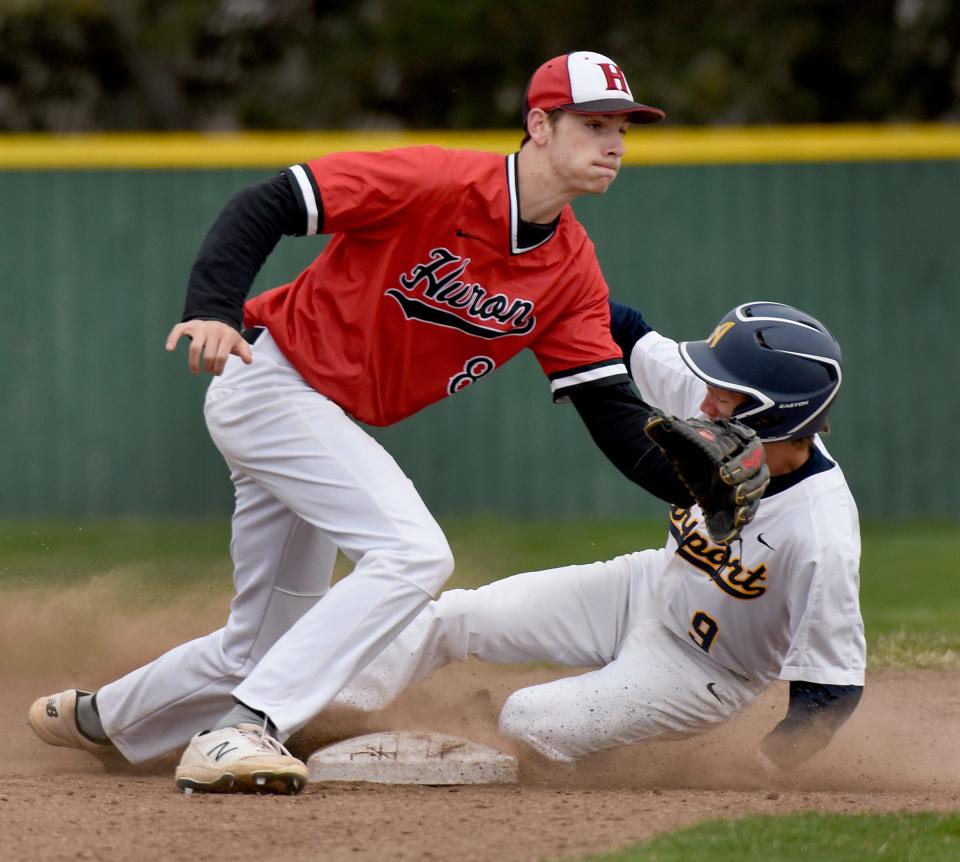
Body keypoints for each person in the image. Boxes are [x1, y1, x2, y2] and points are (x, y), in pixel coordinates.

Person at [28, 52, 722, 796]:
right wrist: (213, 308)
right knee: (413, 553)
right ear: (539, 126)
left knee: (269, 642)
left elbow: (612, 411)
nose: (614, 142)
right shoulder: (436, 181)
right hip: (272, 380)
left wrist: (701, 490)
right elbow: (268, 203)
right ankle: (245, 726)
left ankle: (105, 719)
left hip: (320, 413)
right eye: (593, 124)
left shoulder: (572, 270)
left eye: (622, 127)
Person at [331, 300, 866, 775]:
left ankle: (600, 752)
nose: (704, 404)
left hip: (707, 669)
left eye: (724, 397)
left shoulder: (820, 534)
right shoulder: (711, 400)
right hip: (644, 586)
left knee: (527, 720)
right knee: (453, 617)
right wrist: (536, 287)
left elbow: (832, 689)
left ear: (770, 415)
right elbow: (626, 326)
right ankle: (323, 711)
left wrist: (759, 772)